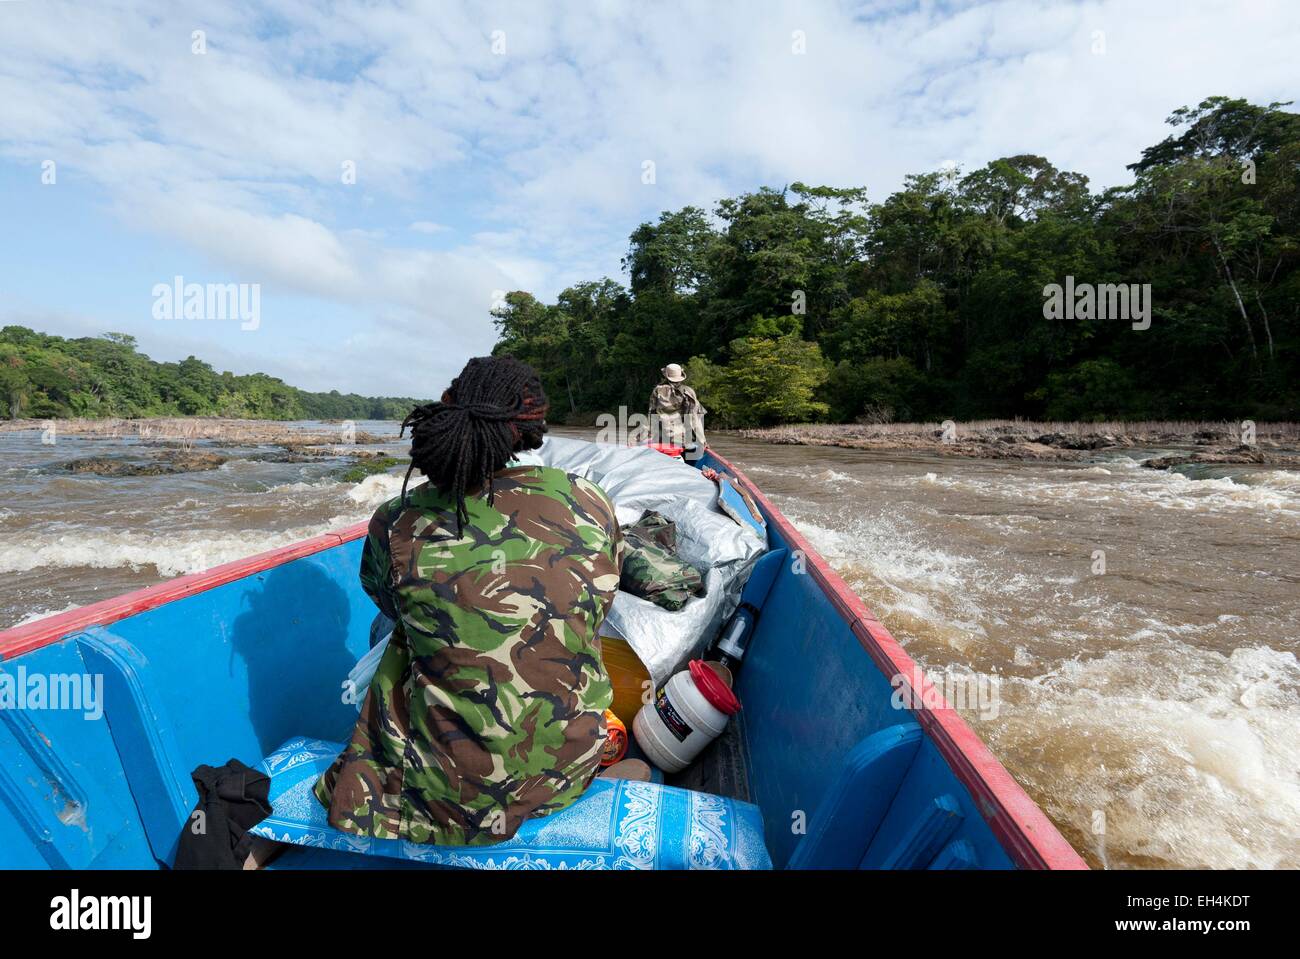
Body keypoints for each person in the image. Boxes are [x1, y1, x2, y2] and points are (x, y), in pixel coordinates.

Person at [313, 356, 630, 846]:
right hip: (565, 773)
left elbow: (384, 598)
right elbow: (602, 597)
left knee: (394, 628)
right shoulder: (589, 498)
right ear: (533, 428)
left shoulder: (397, 517)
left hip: (441, 798)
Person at [648, 362, 707, 449]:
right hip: (684, 439)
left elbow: (652, 415)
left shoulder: (657, 390)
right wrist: (703, 441)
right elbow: (695, 419)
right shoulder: (689, 392)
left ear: (666, 376)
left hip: (662, 437)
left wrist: (651, 436)